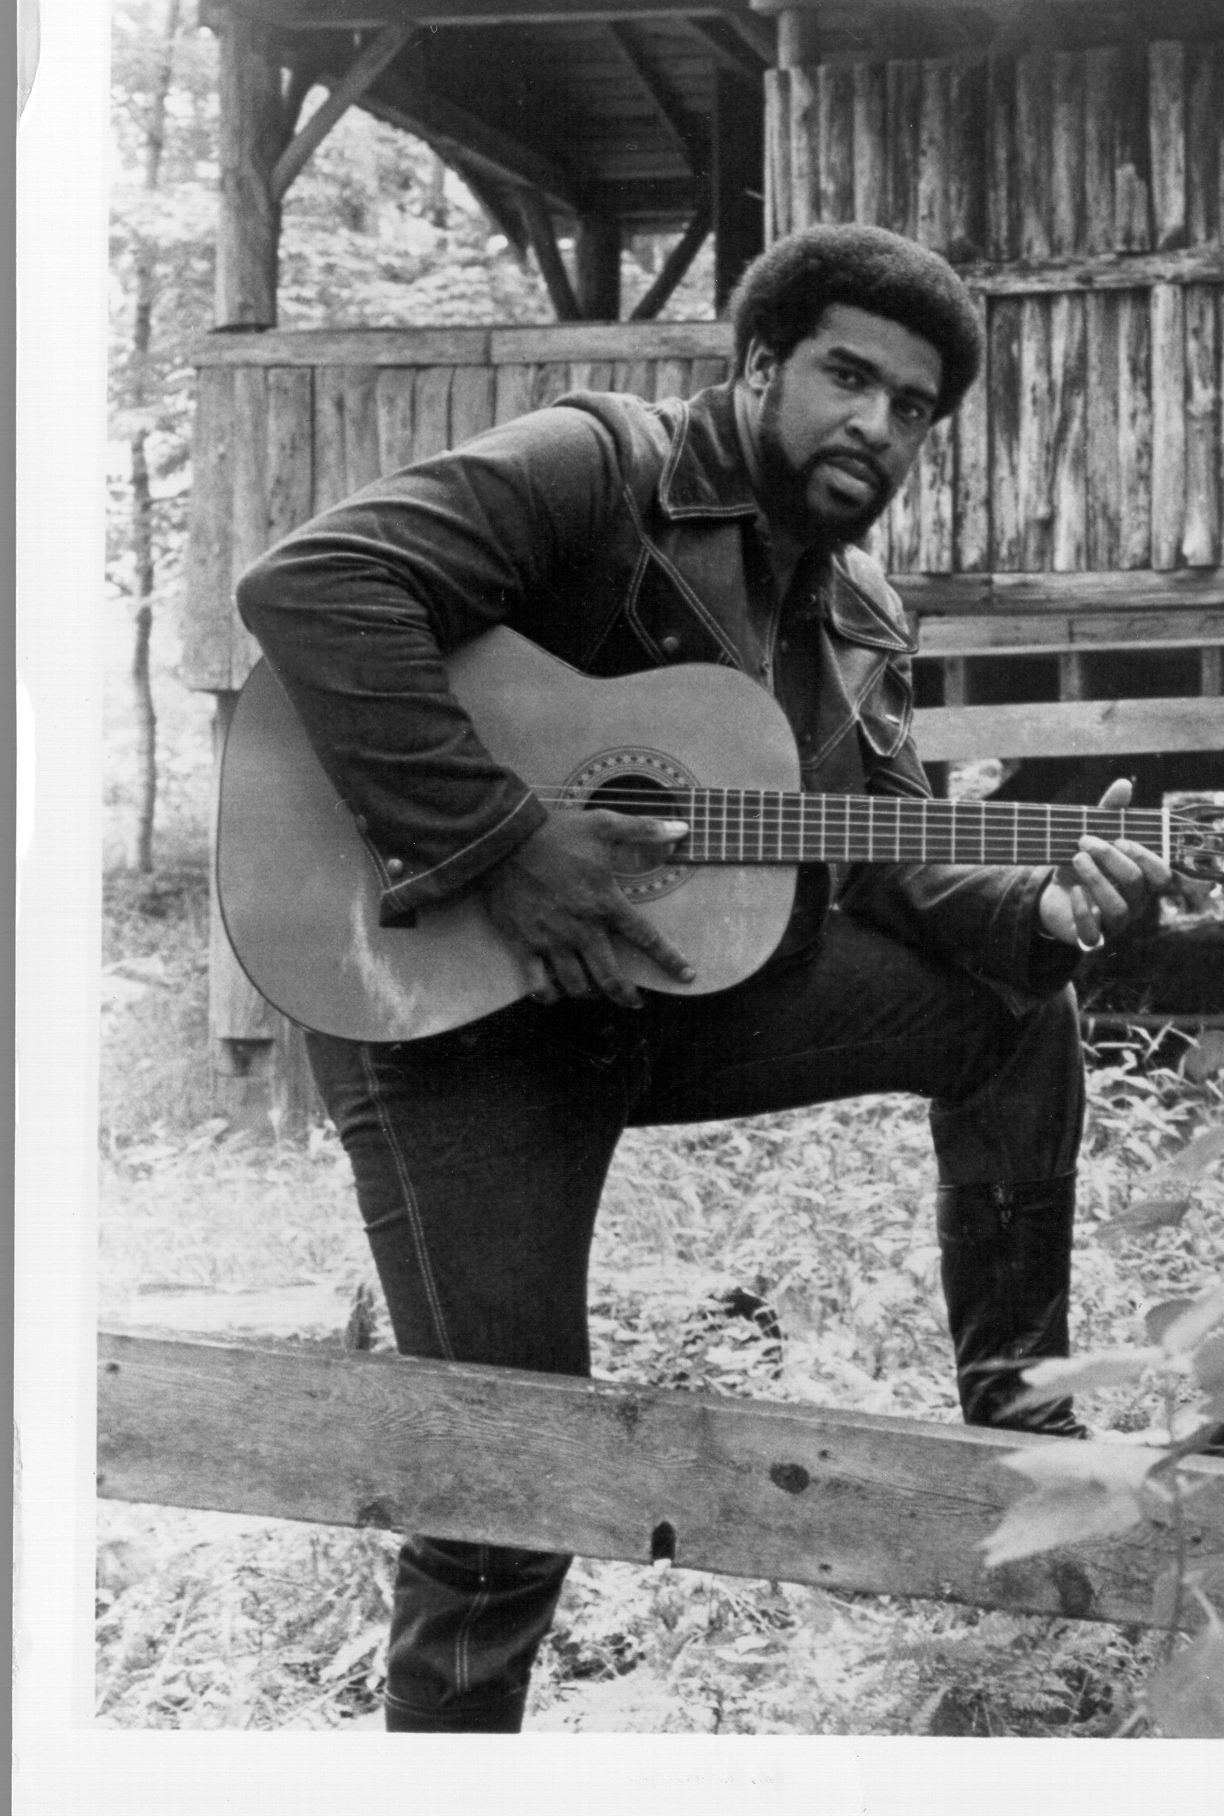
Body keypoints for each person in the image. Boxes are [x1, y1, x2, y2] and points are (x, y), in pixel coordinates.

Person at [233, 223, 1173, 1731]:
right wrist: (504, 838)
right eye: (845, 376)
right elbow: (314, 585)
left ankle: (1023, 1426)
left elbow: (892, 863)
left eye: (915, 406)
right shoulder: (599, 466)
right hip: (448, 1013)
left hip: (655, 998)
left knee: (1016, 1012)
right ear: (755, 365)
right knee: (507, 1494)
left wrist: (1054, 908)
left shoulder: (859, 615)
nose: (876, 424)